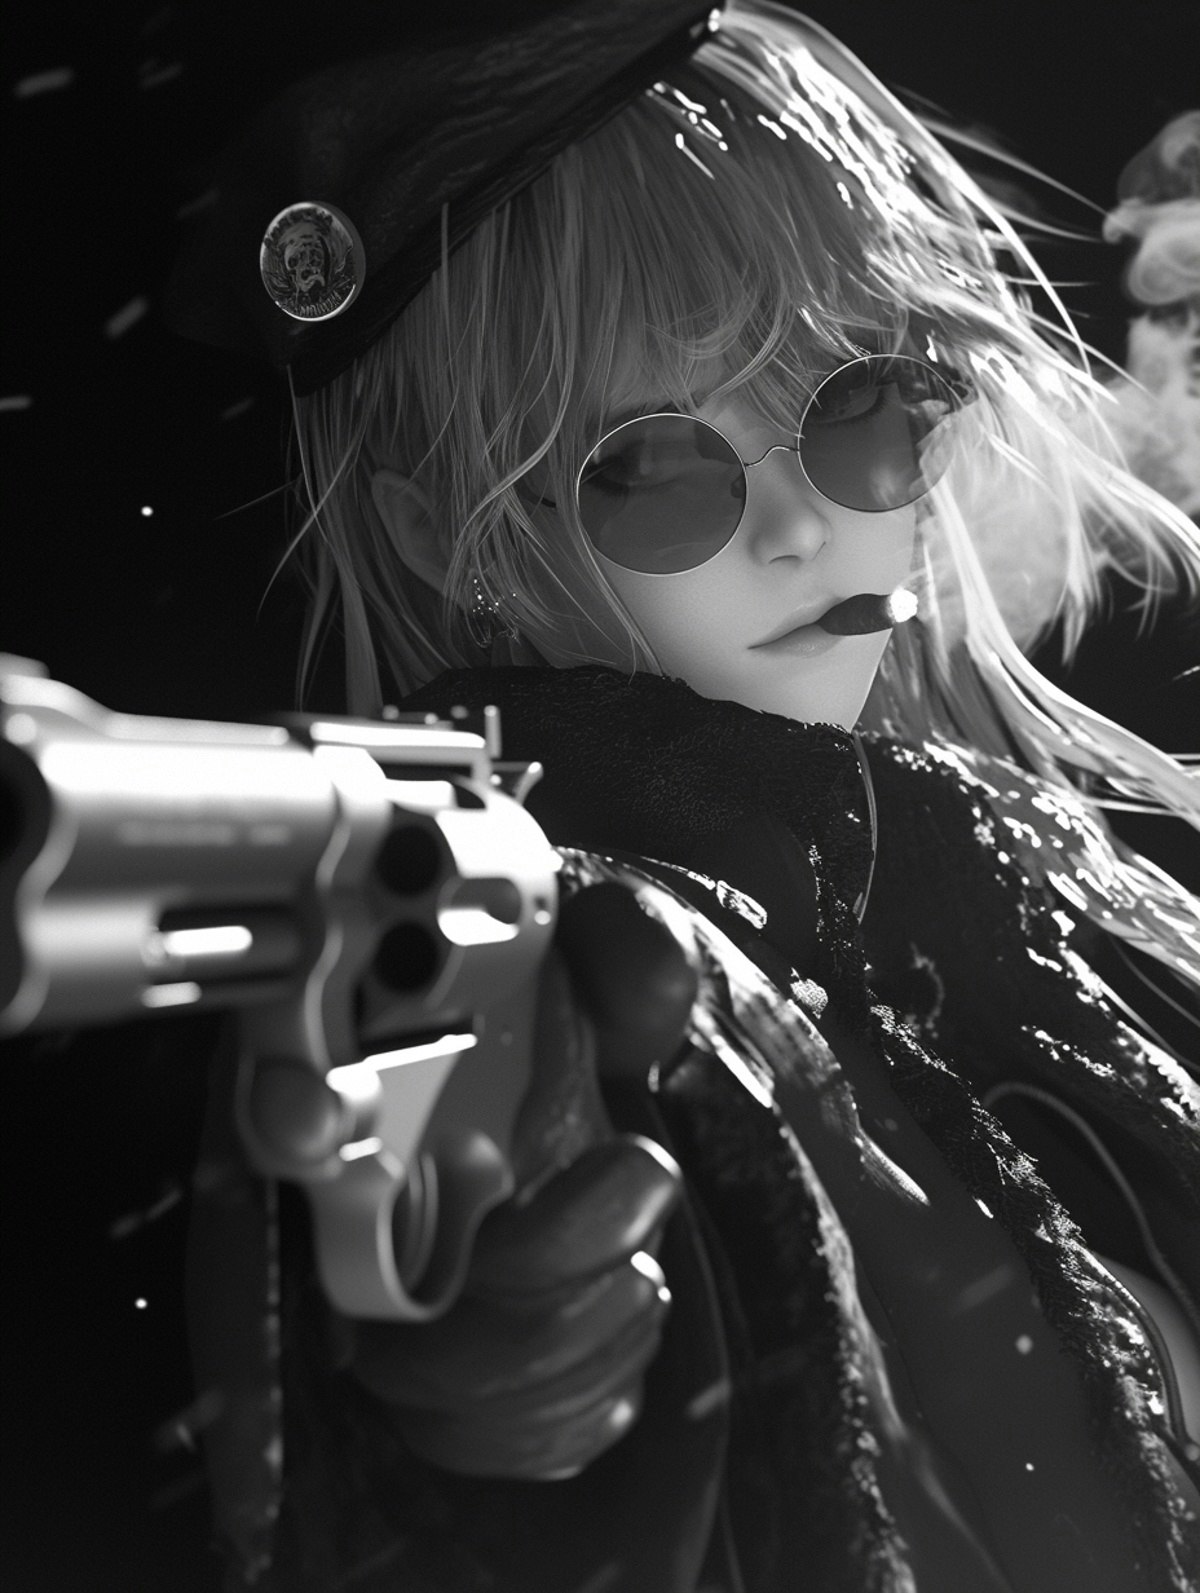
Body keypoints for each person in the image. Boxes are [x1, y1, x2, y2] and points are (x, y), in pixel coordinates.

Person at [167, 2, 1200, 1588]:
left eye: (857, 411)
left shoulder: (1031, 872)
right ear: (453, 537)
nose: (799, 527)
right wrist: (504, 1422)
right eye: (657, 470)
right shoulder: (520, 950)